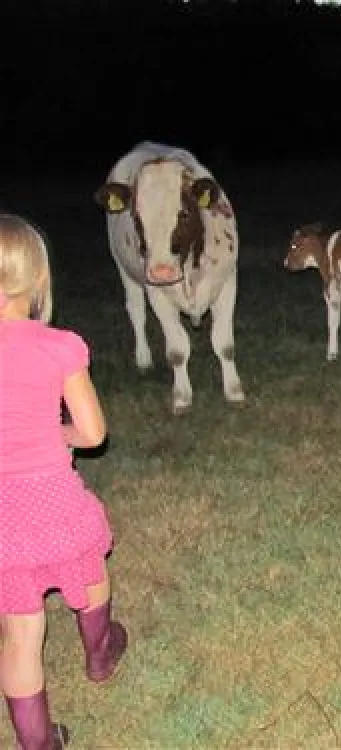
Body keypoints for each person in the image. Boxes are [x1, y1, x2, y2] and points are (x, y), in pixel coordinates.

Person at [0, 214, 127, 750]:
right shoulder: (60, 347)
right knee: (90, 571)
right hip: (51, 499)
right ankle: (100, 653)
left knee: (20, 634)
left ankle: (37, 743)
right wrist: (61, 434)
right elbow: (94, 432)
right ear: (39, 280)